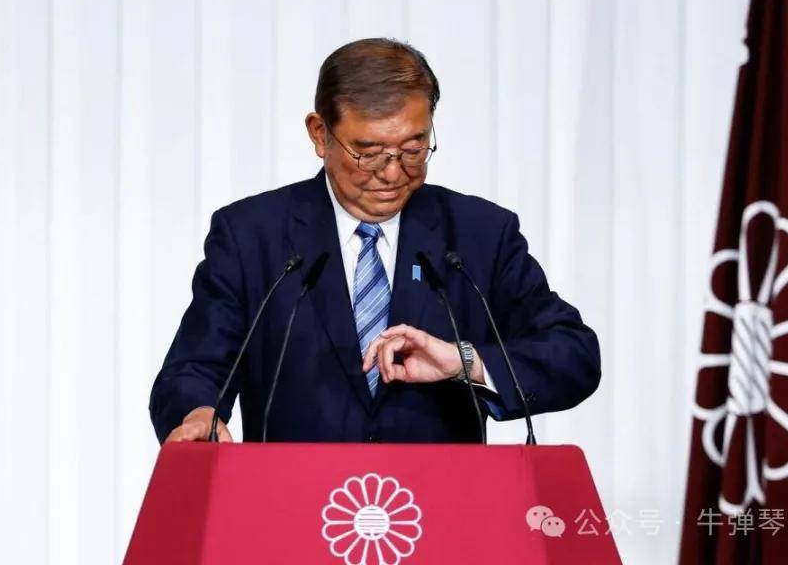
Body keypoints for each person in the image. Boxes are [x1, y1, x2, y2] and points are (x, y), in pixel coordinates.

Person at [150, 38, 600, 444]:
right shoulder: (253, 235)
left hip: (442, 501)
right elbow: (194, 368)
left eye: (413, 149)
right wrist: (198, 414)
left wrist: (466, 361)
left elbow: (574, 354)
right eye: (367, 153)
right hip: (291, 500)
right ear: (320, 134)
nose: (392, 172)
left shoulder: (479, 233)